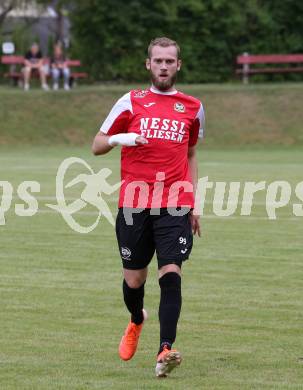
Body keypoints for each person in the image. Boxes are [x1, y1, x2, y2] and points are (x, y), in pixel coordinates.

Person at [92, 37, 204, 378]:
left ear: (178, 65)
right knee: (135, 279)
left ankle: (165, 350)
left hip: (174, 204)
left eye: (170, 61)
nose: (164, 66)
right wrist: (119, 139)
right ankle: (136, 318)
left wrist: (194, 203)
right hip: (134, 204)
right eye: (158, 61)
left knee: (171, 274)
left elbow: (191, 154)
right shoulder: (130, 101)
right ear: (148, 65)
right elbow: (96, 146)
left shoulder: (193, 107)